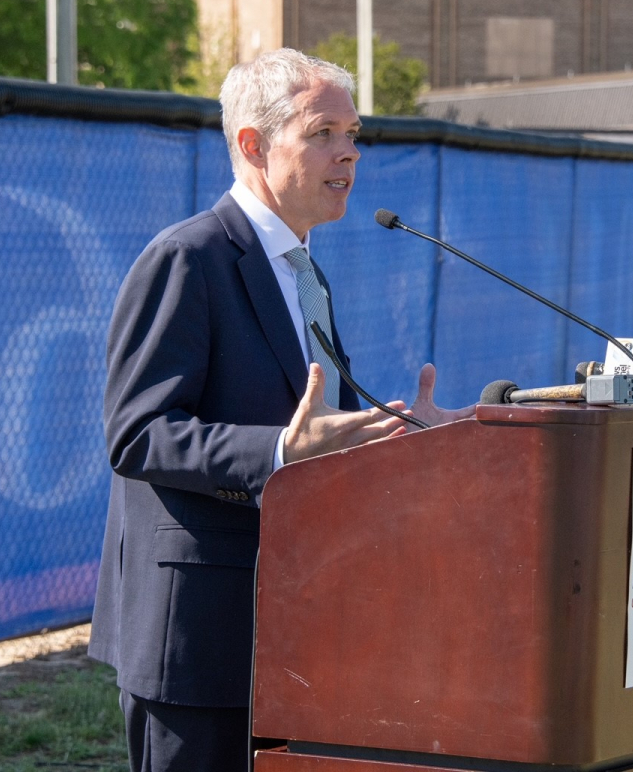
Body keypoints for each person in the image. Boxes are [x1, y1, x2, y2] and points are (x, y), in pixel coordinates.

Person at [88, 48, 470, 772]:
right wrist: (279, 453)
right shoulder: (188, 259)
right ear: (253, 145)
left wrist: (410, 439)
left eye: (354, 135)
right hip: (198, 638)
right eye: (323, 133)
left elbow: (322, 434)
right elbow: (137, 434)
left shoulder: (306, 271)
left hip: (298, 620)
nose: (349, 154)